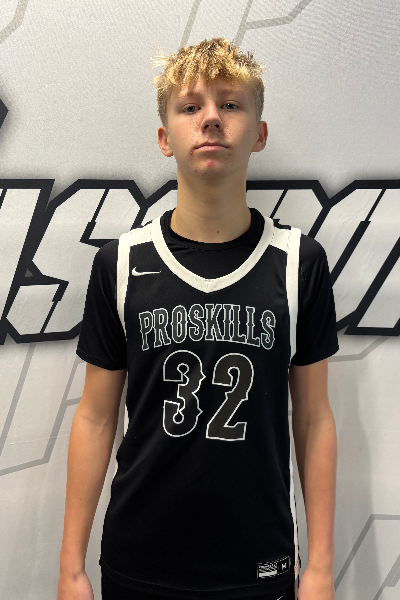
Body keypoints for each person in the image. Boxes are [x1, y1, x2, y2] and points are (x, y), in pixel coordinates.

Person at [57, 37, 338, 600]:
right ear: (165, 138)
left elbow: (313, 420)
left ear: (259, 133)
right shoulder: (120, 263)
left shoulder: (297, 262)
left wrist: (320, 568)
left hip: (258, 561)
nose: (211, 118)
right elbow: (94, 418)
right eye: (191, 107)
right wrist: (70, 569)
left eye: (230, 104)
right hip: (139, 560)